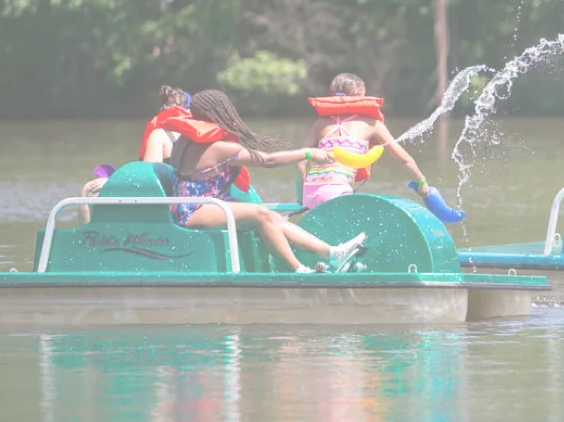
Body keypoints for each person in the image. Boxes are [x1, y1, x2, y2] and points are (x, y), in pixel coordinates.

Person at [170, 89, 367, 273]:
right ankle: (299, 270)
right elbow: (268, 160)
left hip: (198, 205)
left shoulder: (182, 141)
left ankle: (333, 254)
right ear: (219, 114)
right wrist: (308, 152)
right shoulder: (219, 148)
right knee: (261, 213)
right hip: (193, 210)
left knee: (273, 217)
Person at [298, 73, 432, 209]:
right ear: (359, 97)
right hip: (338, 191)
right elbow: (404, 159)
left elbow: (300, 164)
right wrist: (422, 184)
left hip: (310, 192)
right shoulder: (372, 124)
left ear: (333, 94)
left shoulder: (320, 124)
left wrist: (301, 198)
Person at [80, 85, 191, 222]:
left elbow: (148, 183)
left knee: (87, 191)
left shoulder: (159, 135)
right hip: (190, 195)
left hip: (164, 204)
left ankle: (90, 239)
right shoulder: (198, 136)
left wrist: (109, 183)